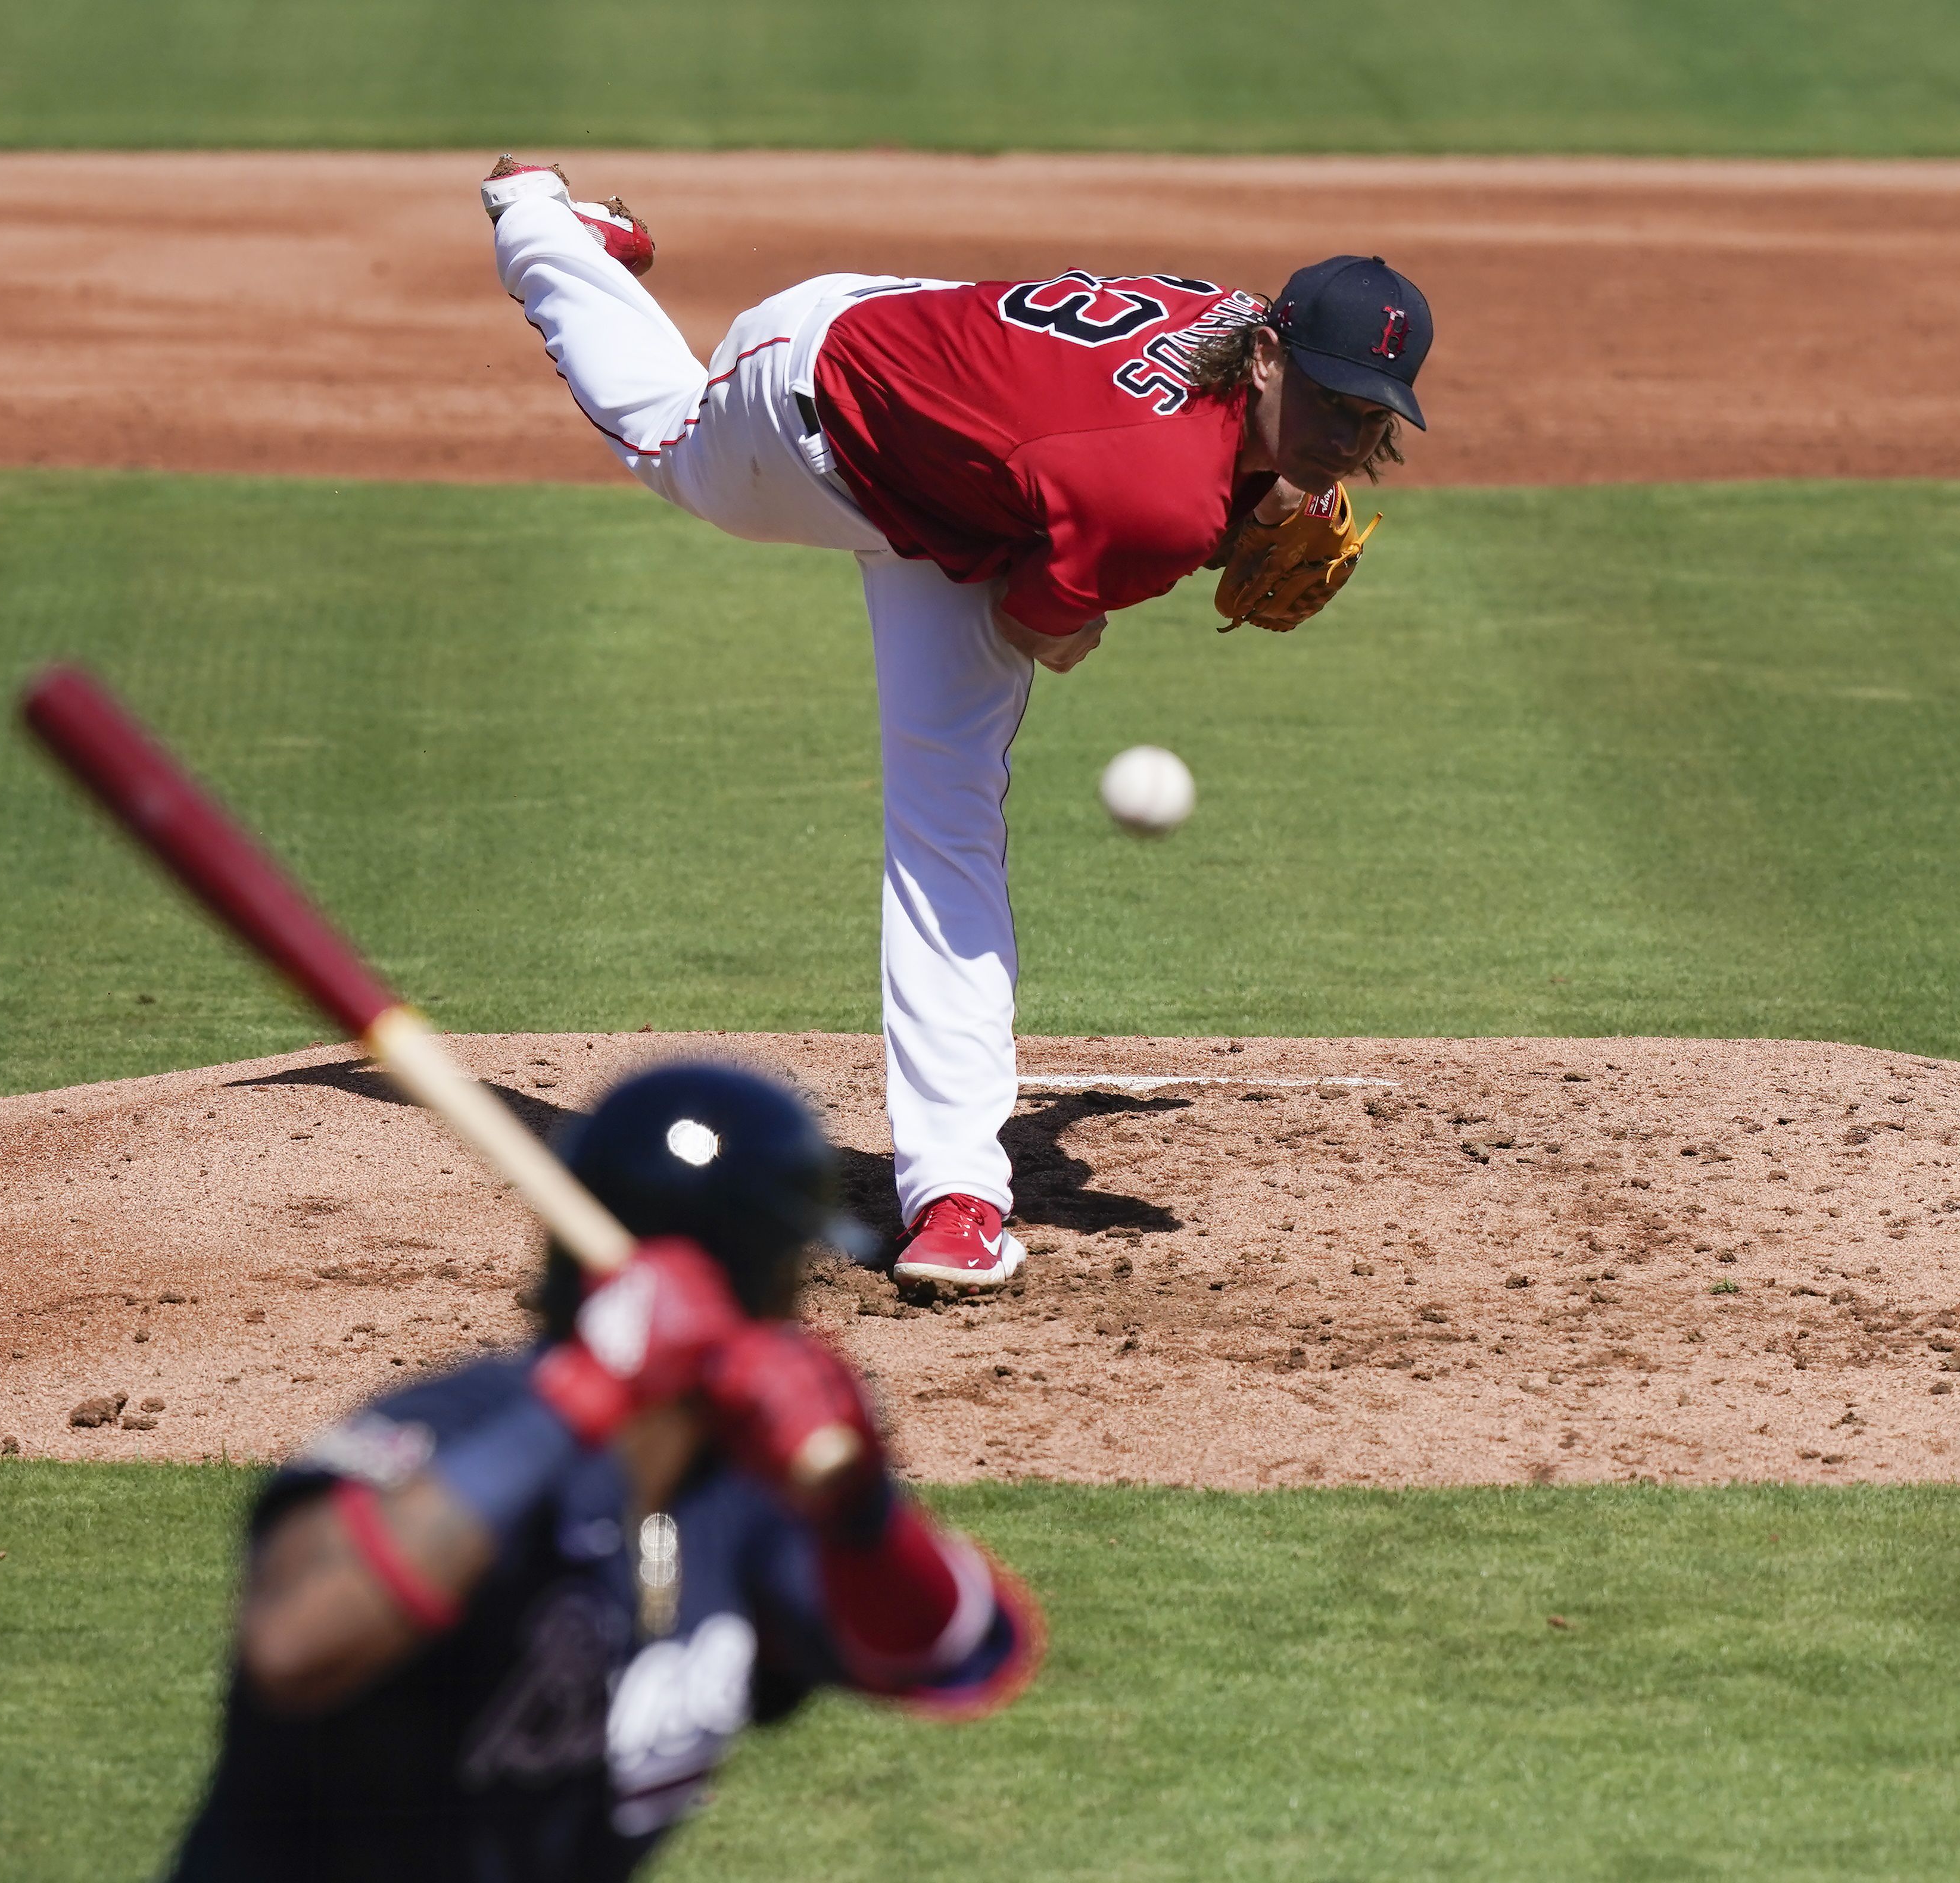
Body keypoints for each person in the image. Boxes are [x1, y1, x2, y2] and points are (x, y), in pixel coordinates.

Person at [481, 159, 1435, 1291]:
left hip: (965, 448)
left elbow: (1140, 453)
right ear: (1268, 351)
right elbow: (1047, 626)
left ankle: (958, 1198)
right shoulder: (1154, 500)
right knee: (668, 444)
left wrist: (1266, 491)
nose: (1343, 434)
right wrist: (1193, 542)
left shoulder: (1236, 331)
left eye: (1368, 416)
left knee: (948, 823)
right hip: (818, 402)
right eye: (1328, 402)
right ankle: (544, 224)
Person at [165, 1063, 1042, 1881]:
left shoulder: (740, 1484)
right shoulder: (450, 1427)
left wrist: (859, 1498)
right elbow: (291, 1645)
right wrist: (584, 1393)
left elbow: (960, 1652)